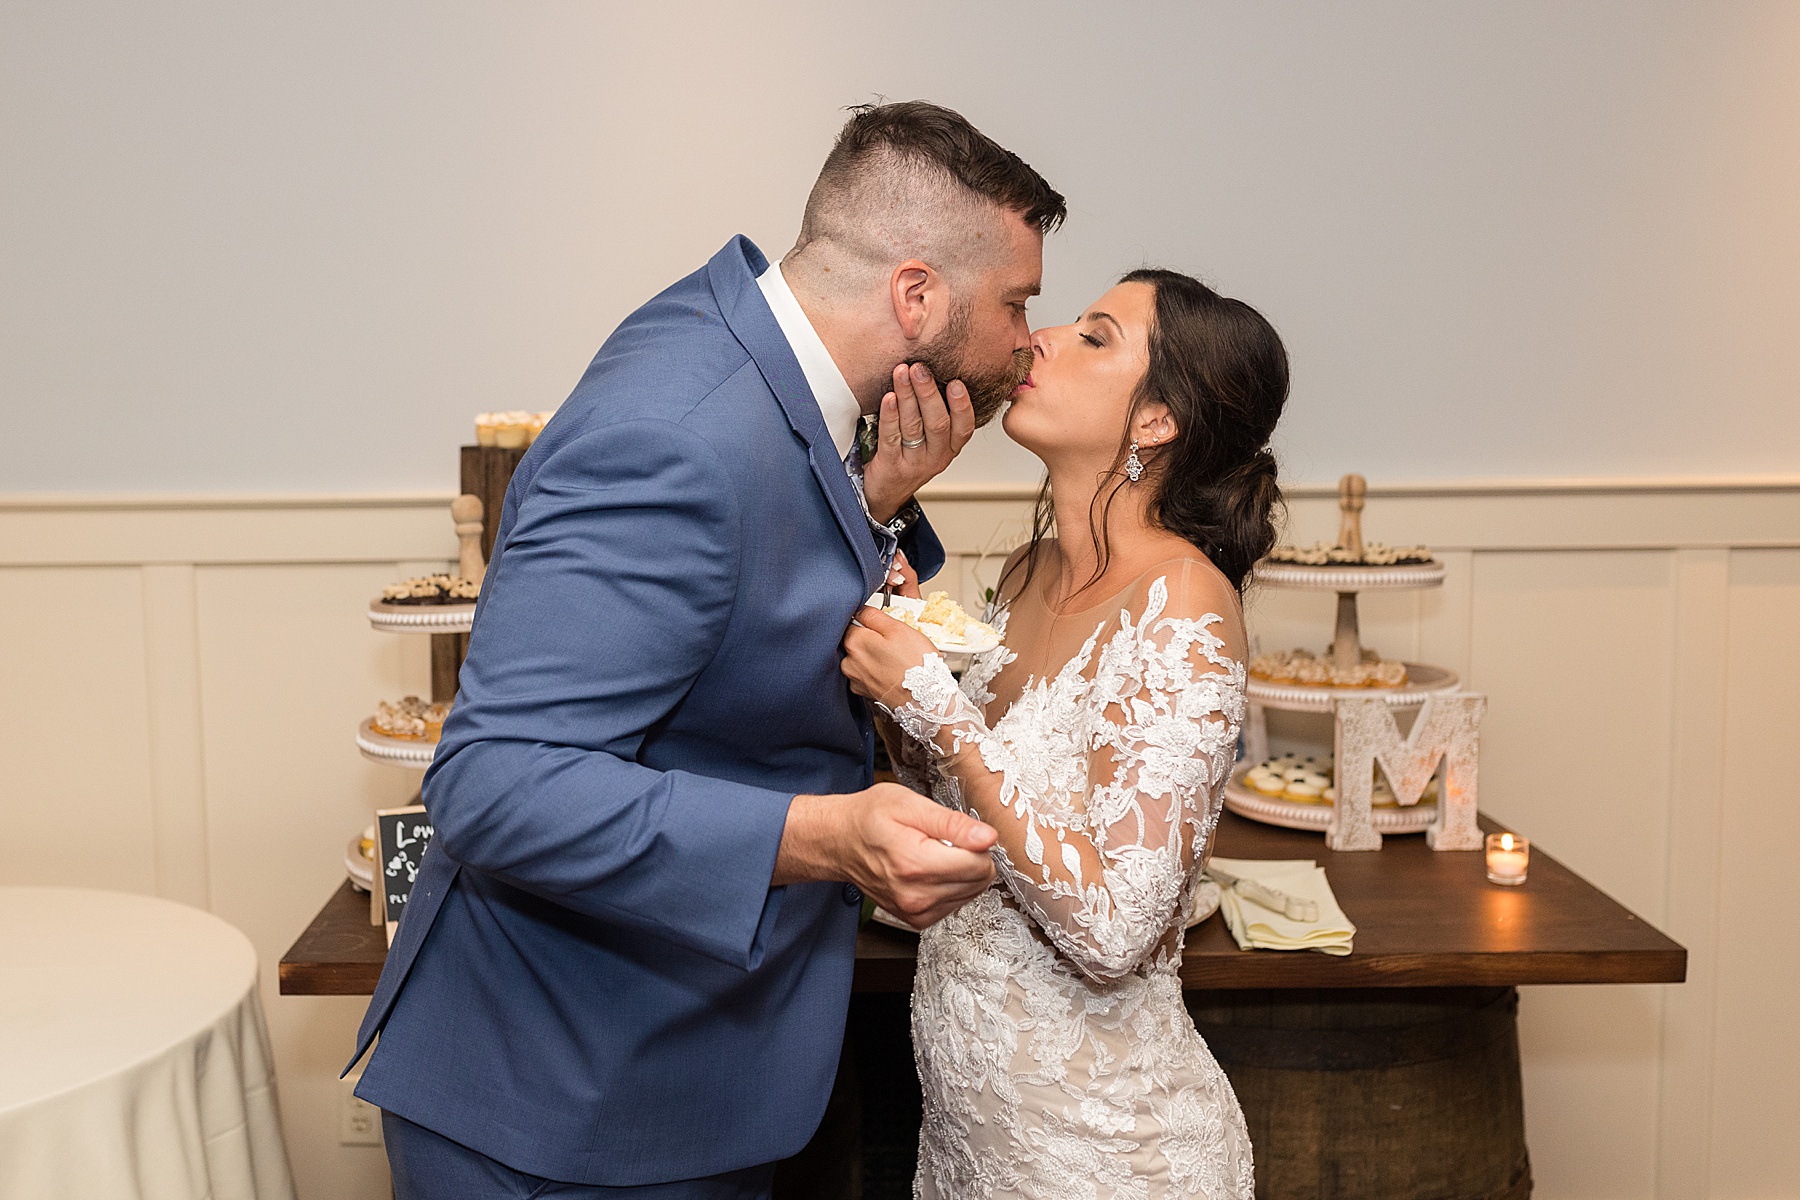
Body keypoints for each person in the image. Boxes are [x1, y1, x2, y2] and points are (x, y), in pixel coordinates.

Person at [346, 101, 1065, 1198]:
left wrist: (874, 503)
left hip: (669, 1071)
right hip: (566, 1106)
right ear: (916, 294)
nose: (1027, 341)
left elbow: (729, 594)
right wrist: (827, 835)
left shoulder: (751, 345)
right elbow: (496, 783)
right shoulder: (674, 433)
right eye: (1017, 303)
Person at [843, 268, 1289, 1198]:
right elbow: (965, 809)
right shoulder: (1025, 571)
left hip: (1108, 1155)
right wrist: (904, 692)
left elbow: (1115, 929)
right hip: (975, 1147)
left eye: (1095, 337)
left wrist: (937, 702)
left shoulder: (1183, 602)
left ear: (1157, 420)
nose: (1041, 338)